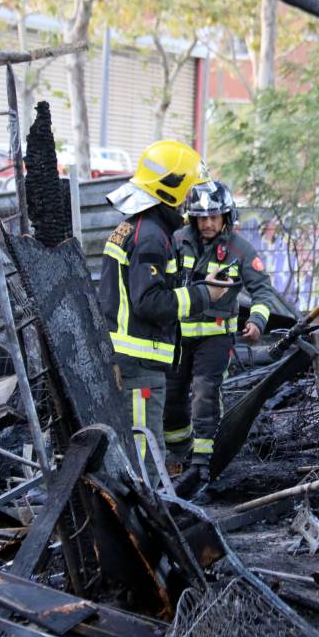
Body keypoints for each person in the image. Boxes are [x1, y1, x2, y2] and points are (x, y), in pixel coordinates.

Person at [99, 141, 232, 469]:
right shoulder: (151, 236)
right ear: (171, 190)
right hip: (138, 365)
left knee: (140, 446)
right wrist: (205, 295)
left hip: (131, 361)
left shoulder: (138, 226)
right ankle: (147, 503)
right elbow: (149, 302)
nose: (190, 201)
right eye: (189, 191)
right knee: (145, 453)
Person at [163, 181, 276, 500]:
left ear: (227, 217)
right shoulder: (176, 242)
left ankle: (203, 464)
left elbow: (263, 291)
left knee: (205, 394)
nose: (208, 223)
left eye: (214, 217)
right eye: (201, 217)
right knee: (172, 398)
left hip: (215, 338)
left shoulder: (240, 249)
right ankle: (178, 455)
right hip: (178, 337)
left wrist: (256, 321)